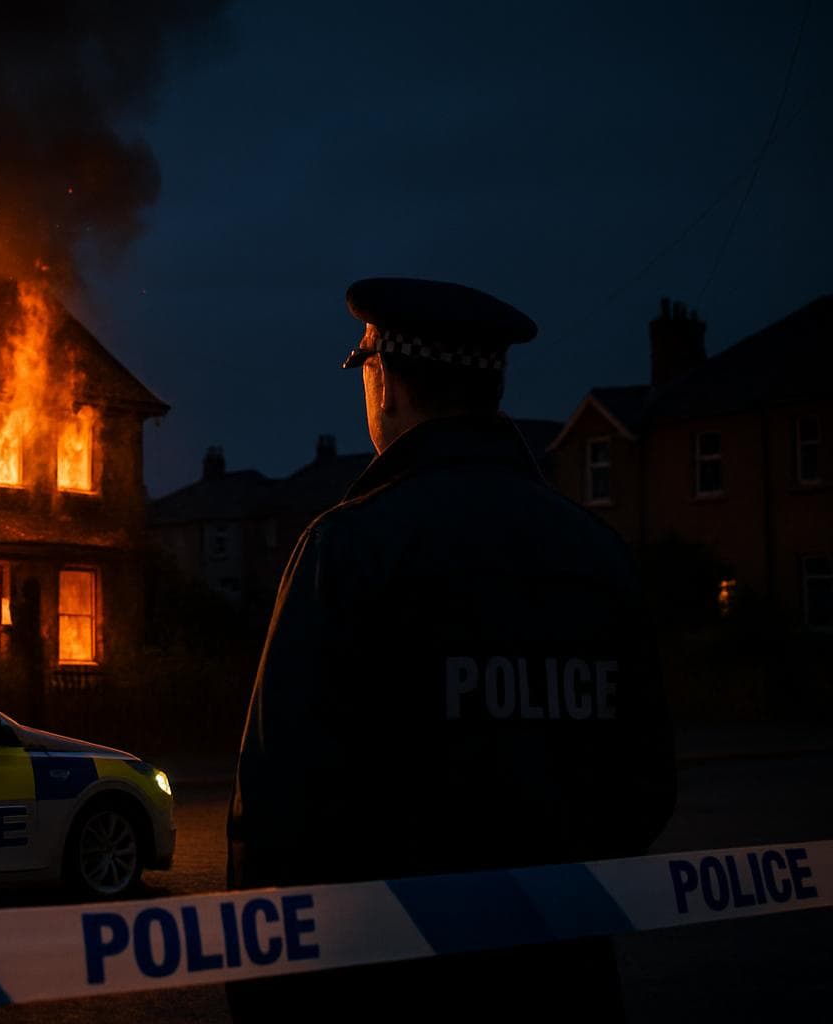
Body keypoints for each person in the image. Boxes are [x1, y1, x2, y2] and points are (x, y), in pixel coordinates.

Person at [226, 278, 676, 1021]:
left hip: (392, 996)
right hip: (568, 988)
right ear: (491, 385)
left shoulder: (347, 552)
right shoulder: (597, 553)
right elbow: (647, 784)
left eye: (363, 367)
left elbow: (277, 822)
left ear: (388, 382)